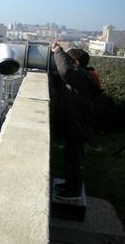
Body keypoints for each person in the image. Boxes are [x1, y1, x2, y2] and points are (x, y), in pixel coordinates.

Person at [51, 43, 100, 200]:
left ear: (76, 63)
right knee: (70, 159)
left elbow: (65, 72)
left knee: (75, 161)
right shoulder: (81, 77)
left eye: (69, 60)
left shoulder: (82, 77)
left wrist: (58, 52)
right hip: (77, 125)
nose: (67, 63)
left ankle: (74, 192)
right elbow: (62, 82)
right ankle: (69, 185)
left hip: (80, 127)